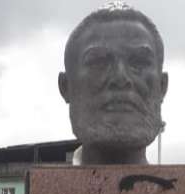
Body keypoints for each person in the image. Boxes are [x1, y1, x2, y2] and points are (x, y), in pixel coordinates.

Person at [58, 1, 168, 165]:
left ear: (162, 86)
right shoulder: (41, 189)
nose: (121, 78)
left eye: (138, 62)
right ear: (66, 86)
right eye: (99, 62)